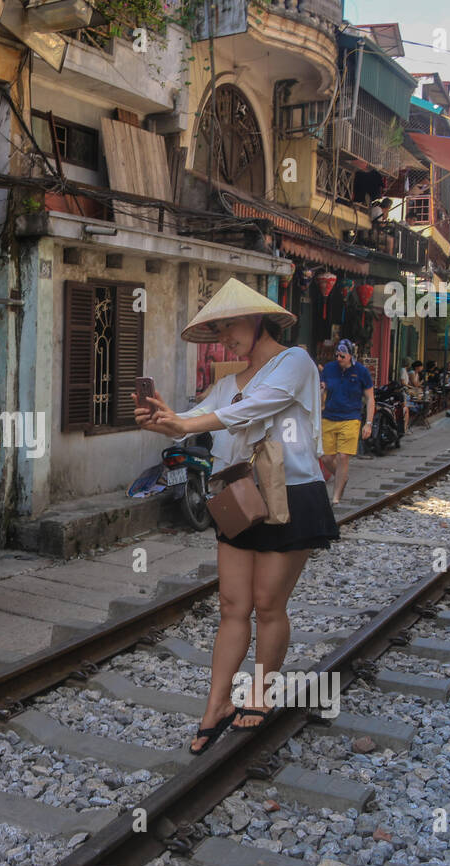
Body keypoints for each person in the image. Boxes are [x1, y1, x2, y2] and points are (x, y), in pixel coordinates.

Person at [134, 278, 338, 752]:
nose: (225, 337)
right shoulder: (226, 383)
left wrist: (187, 421)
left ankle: (261, 694)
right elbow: (196, 420)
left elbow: (253, 409)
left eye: (231, 326)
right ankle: (217, 704)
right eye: (219, 330)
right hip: (240, 497)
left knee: (268, 605)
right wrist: (163, 417)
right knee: (231, 606)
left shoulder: (296, 362)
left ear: (257, 319)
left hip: (291, 497)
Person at [318, 339, 374, 505]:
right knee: (327, 458)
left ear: (350, 355)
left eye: (342, 355)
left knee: (343, 457)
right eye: (337, 355)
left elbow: (370, 398)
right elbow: (322, 389)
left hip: (351, 418)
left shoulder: (361, 372)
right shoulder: (329, 369)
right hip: (328, 417)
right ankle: (342, 477)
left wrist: (368, 423)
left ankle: (336, 496)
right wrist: (321, 391)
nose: (339, 358)